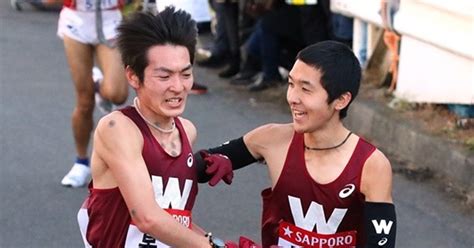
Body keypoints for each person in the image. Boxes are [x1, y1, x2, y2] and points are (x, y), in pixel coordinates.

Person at [197, 41, 397, 247]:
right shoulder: (271, 139)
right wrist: (206, 160)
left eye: (306, 89)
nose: (293, 98)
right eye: (291, 84)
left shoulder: (371, 164)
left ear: (341, 100)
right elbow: (189, 168)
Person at [76, 8, 226, 247]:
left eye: (185, 74)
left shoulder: (186, 131)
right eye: (164, 77)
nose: (178, 87)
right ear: (134, 77)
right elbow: (147, 219)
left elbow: (174, 217)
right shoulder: (118, 128)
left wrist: (218, 242)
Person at [57, 0, 129, 187]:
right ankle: (81, 161)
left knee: (117, 94)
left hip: (110, 20)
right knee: (84, 101)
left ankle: (98, 83)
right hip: (76, 22)